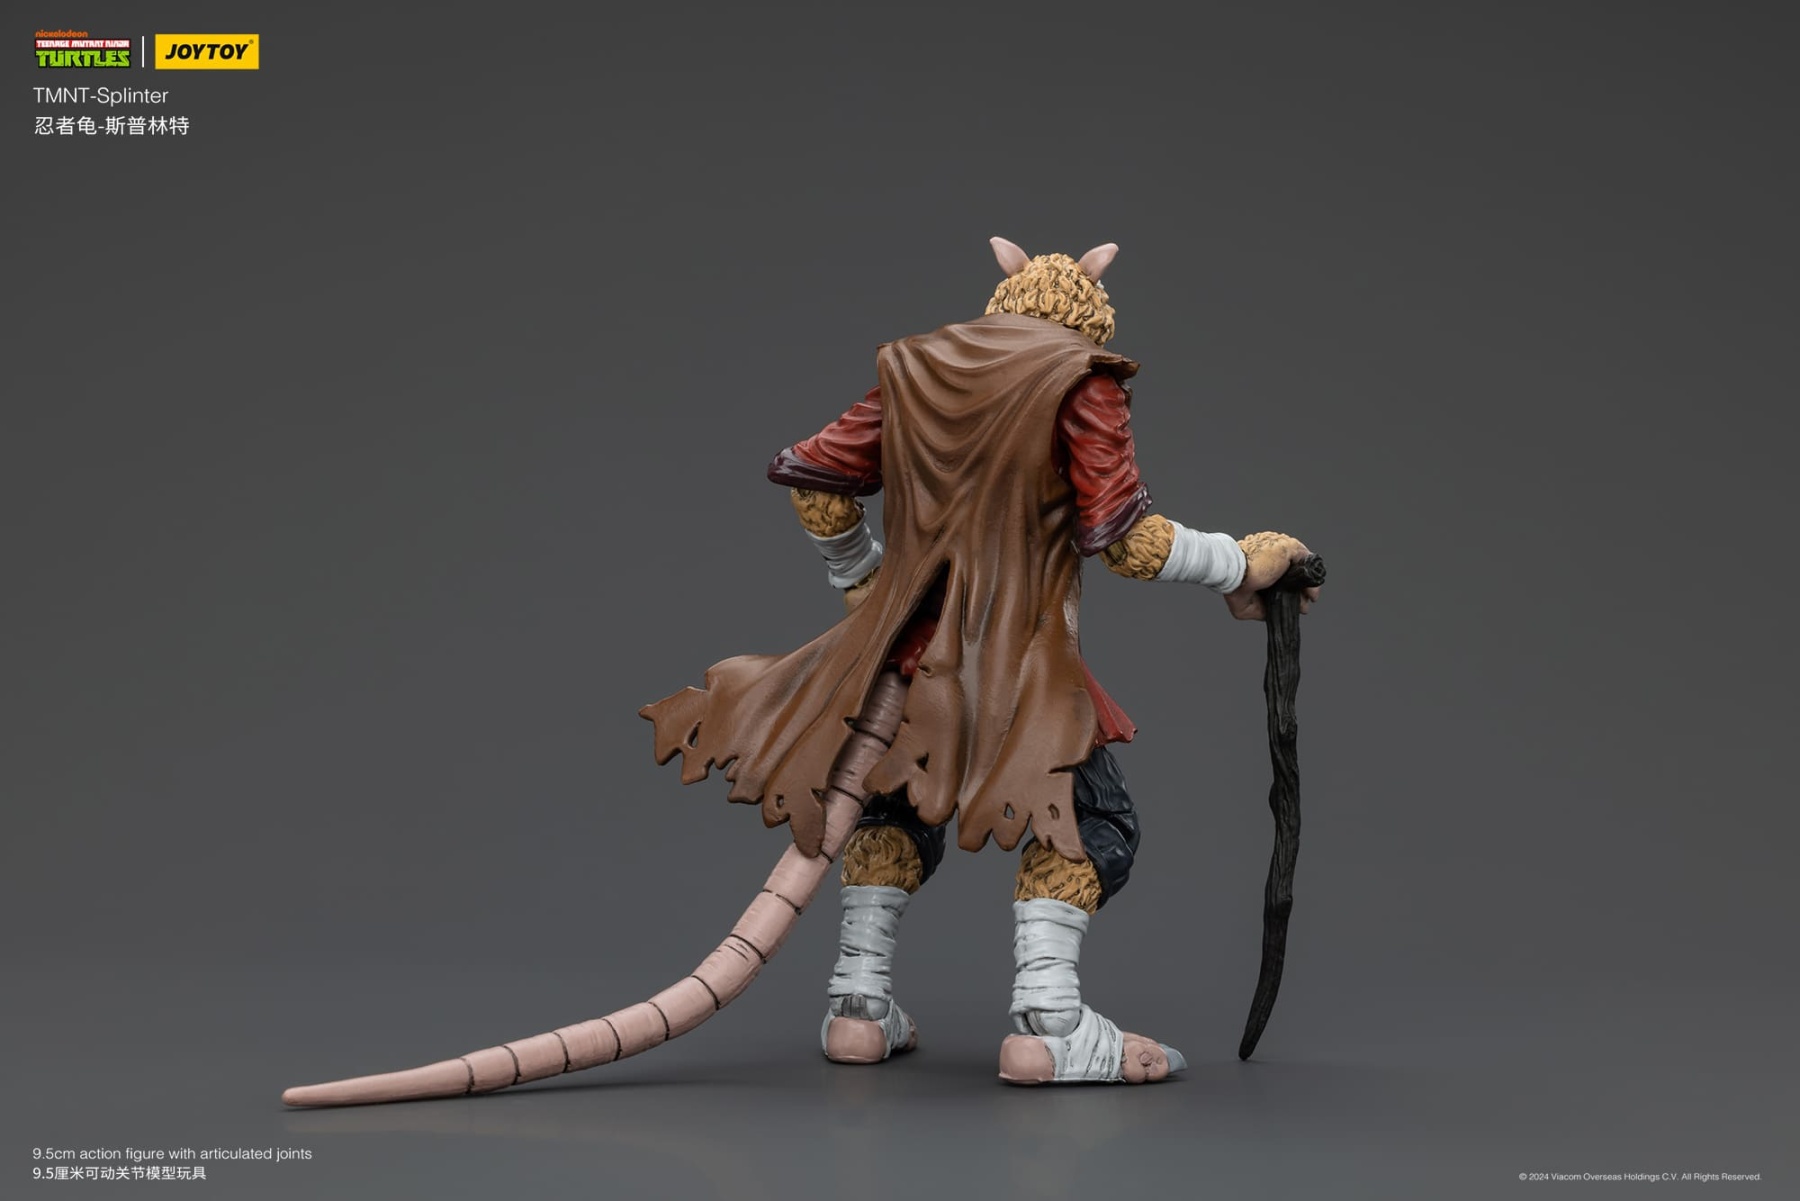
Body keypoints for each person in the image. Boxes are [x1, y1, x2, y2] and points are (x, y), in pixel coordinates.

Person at [644, 237, 1320, 1085]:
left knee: (893, 814)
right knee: (1092, 824)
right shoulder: (1085, 381)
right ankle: (1050, 1022)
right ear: (1089, 306)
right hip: (1016, 670)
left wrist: (863, 584)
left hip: (899, 663)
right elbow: (1130, 542)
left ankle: (857, 1007)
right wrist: (1243, 562)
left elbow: (818, 485)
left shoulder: (915, 369)